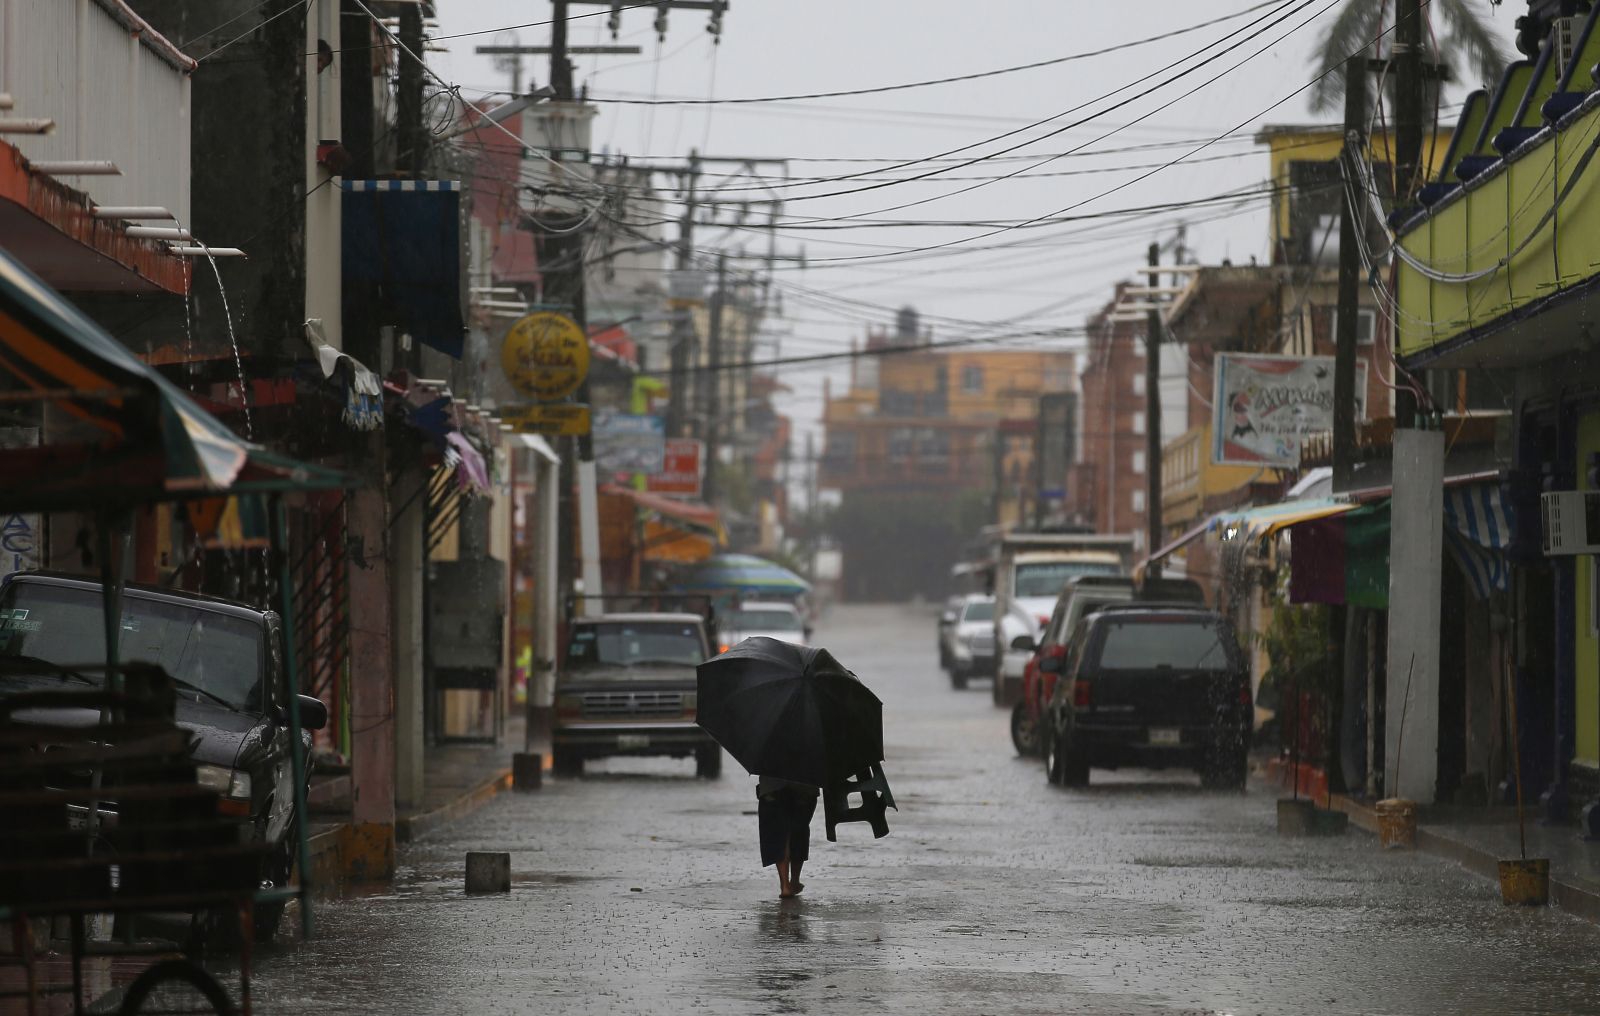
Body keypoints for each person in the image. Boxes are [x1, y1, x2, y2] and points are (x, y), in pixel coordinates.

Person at [756, 775, 819, 899]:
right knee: (799, 831)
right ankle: (794, 881)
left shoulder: (767, 754)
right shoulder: (810, 755)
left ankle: (785, 885)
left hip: (772, 786)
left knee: (778, 834)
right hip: (804, 785)